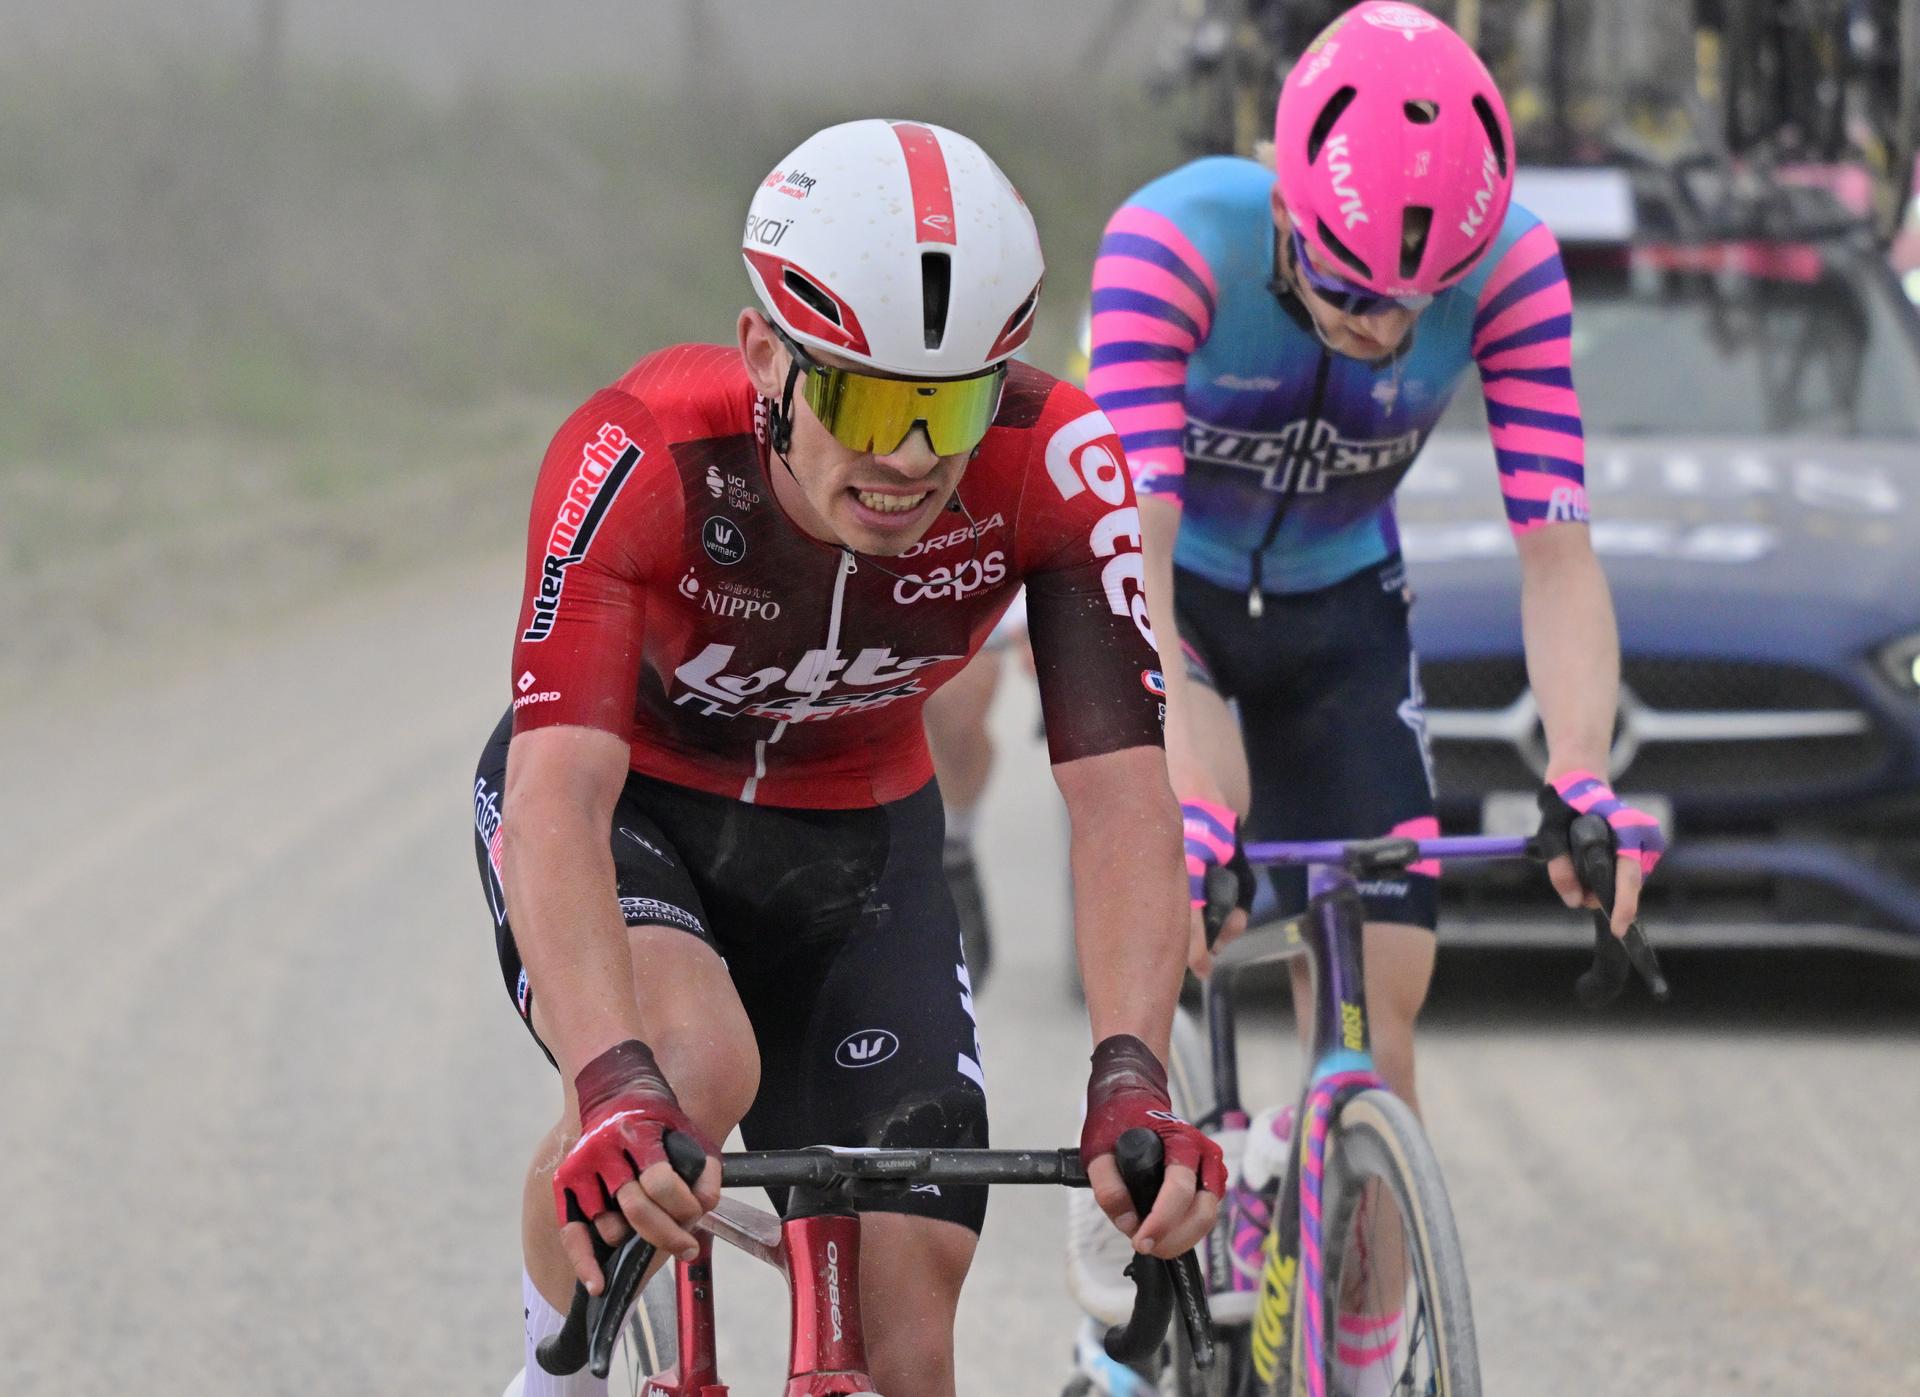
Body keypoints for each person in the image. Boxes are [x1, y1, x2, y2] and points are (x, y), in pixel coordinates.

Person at [470, 118, 1225, 1397]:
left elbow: (1121, 800)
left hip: (859, 836)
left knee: (909, 1305)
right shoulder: (640, 451)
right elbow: (557, 795)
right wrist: (608, 1076)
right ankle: (552, 1381)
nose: (910, 458)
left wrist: (1132, 1072)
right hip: (636, 812)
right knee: (689, 1067)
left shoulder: (1057, 463)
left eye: (951, 406)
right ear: (764, 353)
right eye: (868, 400)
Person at [1061, 5, 1666, 1392]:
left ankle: (1370, 1331)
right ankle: (1135, 1171)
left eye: (1415, 302)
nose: (1385, 327)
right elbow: (1129, 566)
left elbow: (1559, 554)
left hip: (1341, 609)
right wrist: (1190, 805)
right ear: (1286, 205)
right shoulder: (1171, 246)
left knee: (1383, 1006)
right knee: (1188, 861)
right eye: (1347, 292)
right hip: (1170, 600)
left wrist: (1583, 770)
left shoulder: (1513, 270)